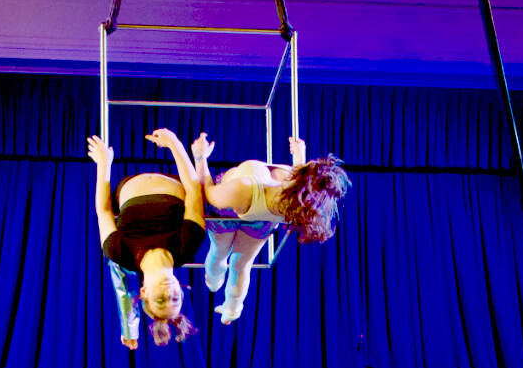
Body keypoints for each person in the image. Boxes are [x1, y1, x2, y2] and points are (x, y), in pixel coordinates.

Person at [189, 132, 349, 324]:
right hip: (262, 218)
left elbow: (208, 193)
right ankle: (231, 310)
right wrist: (299, 158)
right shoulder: (298, 206)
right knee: (241, 264)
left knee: (220, 252)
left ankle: (214, 283)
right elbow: (302, 185)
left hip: (232, 207)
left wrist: (200, 158)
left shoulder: (244, 188)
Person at [88, 129, 204, 347]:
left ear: (144, 292)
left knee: (119, 274)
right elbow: (194, 191)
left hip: (128, 186)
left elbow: (103, 210)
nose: (168, 292)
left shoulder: (118, 252)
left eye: (160, 299)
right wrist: (174, 144)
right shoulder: (188, 245)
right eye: (175, 298)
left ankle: (129, 330)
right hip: (172, 181)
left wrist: (103, 164)